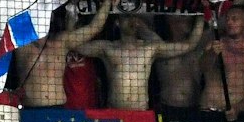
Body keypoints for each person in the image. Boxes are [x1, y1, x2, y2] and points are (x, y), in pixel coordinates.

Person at [76, 15, 205, 110]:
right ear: (117, 22)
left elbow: (189, 45)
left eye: (134, 17)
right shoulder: (107, 48)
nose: (132, 20)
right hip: (114, 112)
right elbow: (77, 46)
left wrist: (201, 16)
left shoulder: (150, 48)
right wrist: (71, 18)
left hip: (141, 113)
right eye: (126, 17)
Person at [198, 5, 244, 119]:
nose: (229, 22)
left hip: (235, 115)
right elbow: (202, 68)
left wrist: (238, 108)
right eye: (227, 19)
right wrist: (211, 54)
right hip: (208, 110)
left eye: (234, 19)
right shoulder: (215, 45)